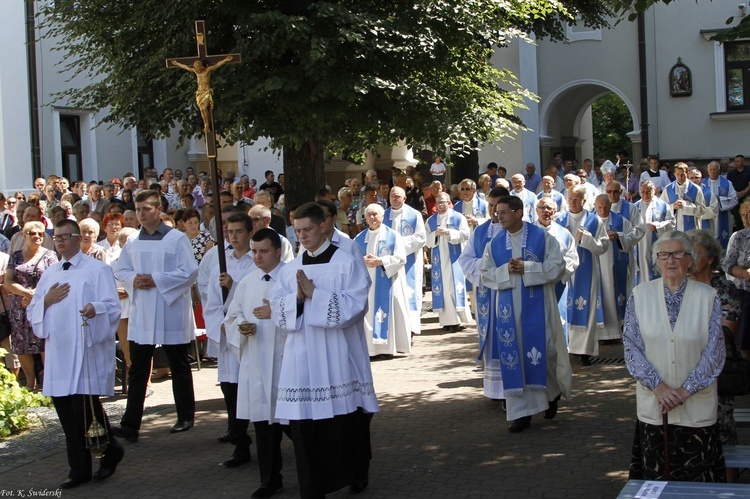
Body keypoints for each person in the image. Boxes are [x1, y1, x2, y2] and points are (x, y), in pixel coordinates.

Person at [269, 202, 379, 498]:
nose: (302, 236)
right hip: (302, 356)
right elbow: (277, 311)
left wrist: (315, 294)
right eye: (297, 230)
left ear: (322, 227)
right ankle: (313, 485)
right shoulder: (291, 269)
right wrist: (299, 300)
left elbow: (356, 306)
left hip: (339, 353)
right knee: (305, 424)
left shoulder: (346, 262)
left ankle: (354, 474)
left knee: (345, 419)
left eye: (307, 229)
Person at [27, 219, 124, 489]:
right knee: (66, 413)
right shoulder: (50, 272)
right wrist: (46, 301)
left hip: (84, 349)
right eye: (55, 236)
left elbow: (112, 306)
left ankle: (108, 453)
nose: (58, 241)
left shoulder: (98, 269)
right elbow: (33, 308)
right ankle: (79, 469)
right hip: (59, 350)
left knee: (86, 409)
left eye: (65, 236)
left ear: (78, 238)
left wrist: (95, 307)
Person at [623, 231, 726, 482]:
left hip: (696, 407)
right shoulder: (639, 295)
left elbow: (714, 352)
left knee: (697, 479)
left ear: (690, 260)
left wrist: (684, 391)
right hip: (655, 406)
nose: (671, 260)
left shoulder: (708, 297)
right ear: (656, 260)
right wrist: (658, 388)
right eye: (664, 254)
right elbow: (631, 346)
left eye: (678, 253)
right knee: (658, 479)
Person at [479, 196, 572, 432]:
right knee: (516, 356)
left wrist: (528, 268)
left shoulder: (543, 238)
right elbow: (485, 274)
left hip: (540, 307)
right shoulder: (495, 244)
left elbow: (557, 266)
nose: (498, 216)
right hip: (508, 310)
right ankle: (522, 413)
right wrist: (506, 270)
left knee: (546, 352)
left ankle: (551, 395)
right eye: (496, 212)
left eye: (503, 212)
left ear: (518, 212)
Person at [112, 190, 199, 442]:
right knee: (138, 368)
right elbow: (122, 270)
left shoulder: (176, 239)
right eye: (138, 210)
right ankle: (130, 424)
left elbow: (189, 272)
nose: (141, 214)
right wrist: (133, 280)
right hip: (144, 312)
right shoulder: (133, 242)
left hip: (170, 309)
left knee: (179, 364)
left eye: (146, 209)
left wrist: (156, 279)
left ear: (158, 209)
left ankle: (185, 415)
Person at [225, 228, 288, 498]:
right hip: (256, 359)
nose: (258, 256)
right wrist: (242, 326)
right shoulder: (247, 282)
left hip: (286, 361)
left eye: (263, 251)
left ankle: (322, 473)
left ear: (277, 251)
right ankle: (270, 480)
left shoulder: (290, 278)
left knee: (295, 426)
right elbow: (233, 315)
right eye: (254, 251)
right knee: (263, 425)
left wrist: (277, 312)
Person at [688, 229, 742, 481]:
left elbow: (726, 331)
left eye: (694, 252)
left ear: (709, 258)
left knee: (722, 433)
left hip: (716, 375)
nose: (687, 258)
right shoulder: (677, 288)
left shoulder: (724, 288)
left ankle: (731, 485)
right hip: (683, 372)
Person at [204, 213, 256, 468]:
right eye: (230, 232)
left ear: (249, 233)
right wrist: (220, 326)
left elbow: (256, 297)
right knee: (231, 392)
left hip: (250, 334)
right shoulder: (218, 266)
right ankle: (240, 444)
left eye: (238, 232)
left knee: (254, 390)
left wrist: (234, 287)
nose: (233, 237)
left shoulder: (256, 263)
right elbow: (212, 304)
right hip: (228, 337)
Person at [458, 186, 509, 400]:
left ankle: (512, 386)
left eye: (498, 206)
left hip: (509, 292)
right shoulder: (479, 231)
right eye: (490, 205)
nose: (494, 211)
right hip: (486, 294)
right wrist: (488, 270)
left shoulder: (516, 230)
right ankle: (494, 389)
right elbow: (465, 260)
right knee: (490, 339)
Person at [555, 185, 609, 365]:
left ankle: (584, 351)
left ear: (584, 201)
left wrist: (585, 239)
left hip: (587, 272)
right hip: (564, 271)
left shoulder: (594, 221)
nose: (573, 202)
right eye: (570, 199)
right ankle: (567, 347)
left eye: (577, 199)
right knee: (565, 307)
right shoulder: (560, 220)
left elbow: (603, 247)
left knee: (588, 308)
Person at [3, 222, 58, 391]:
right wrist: (26, 294)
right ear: (24, 235)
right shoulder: (16, 256)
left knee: (43, 343)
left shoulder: (51, 256)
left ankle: (49, 383)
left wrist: (35, 297)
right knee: (22, 345)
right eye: (32, 233)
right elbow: (8, 281)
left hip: (44, 305)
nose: (37, 236)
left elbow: (56, 281)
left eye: (40, 234)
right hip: (20, 308)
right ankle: (30, 382)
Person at [355, 204, 411, 356]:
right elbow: (351, 261)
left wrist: (381, 261)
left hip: (388, 281)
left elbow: (401, 258)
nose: (372, 218)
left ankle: (387, 349)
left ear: (382, 216)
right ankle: (371, 350)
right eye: (369, 215)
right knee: (369, 313)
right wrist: (362, 261)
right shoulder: (359, 239)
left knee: (387, 312)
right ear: (365, 218)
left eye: (375, 214)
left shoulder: (393, 236)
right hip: (368, 285)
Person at [595, 194, 641, 342]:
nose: (602, 210)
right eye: (599, 207)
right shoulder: (589, 220)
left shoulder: (621, 221)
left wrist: (619, 236)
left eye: (605, 207)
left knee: (615, 293)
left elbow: (634, 236)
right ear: (595, 206)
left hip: (615, 265)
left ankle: (617, 329)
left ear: (610, 206)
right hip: (596, 266)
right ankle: (600, 333)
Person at [535, 195, 579, 345]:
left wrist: (559, 275)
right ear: (536, 210)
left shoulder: (564, 234)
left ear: (555, 212)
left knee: (558, 318)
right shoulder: (529, 233)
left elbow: (572, 258)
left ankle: (561, 353)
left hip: (558, 283)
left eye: (549, 208)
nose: (546, 211)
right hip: (535, 283)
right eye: (542, 207)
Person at [425, 192, 471, 331]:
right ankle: (446, 321)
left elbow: (465, 235)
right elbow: (426, 240)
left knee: (453, 287)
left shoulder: (458, 217)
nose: (440, 205)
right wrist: (435, 235)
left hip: (454, 258)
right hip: (439, 260)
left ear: (448, 202)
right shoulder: (431, 221)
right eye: (438, 202)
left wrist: (449, 233)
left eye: (443, 202)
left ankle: (457, 320)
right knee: (443, 289)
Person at [383, 187, 426, 336]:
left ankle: (411, 328)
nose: (393, 199)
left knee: (409, 292)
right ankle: (394, 329)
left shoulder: (414, 215)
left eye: (397, 196)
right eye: (391, 196)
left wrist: (398, 245)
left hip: (410, 261)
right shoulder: (384, 215)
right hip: (389, 262)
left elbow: (420, 238)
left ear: (404, 198)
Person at [722, 200, 750, 360]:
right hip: (744, 291)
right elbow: (727, 264)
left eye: (749, 214)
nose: (746, 218)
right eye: (743, 215)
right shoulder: (739, 236)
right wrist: (744, 273)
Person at [634, 180, 675, 283]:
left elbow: (672, 223)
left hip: (656, 243)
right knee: (642, 271)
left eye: (648, 191)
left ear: (654, 191)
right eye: (643, 192)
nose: (645, 194)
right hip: (639, 246)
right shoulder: (635, 206)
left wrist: (658, 227)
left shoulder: (662, 205)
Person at [702, 161, 738, 251]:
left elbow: (734, 199)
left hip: (722, 214)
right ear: (707, 170)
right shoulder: (702, 184)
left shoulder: (727, 183)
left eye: (715, 169)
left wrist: (719, 199)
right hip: (707, 214)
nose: (713, 171)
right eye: (711, 169)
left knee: (723, 237)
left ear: (719, 170)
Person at [661, 162, 705, 232]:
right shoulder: (668, 189)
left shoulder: (696, 189)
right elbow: (661, 208)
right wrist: (673, 207)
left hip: (691, 229)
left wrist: (687, 205)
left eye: (683, 174)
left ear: (687, 173)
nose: (680, 177)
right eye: (678, 174)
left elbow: (702, 210)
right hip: (674, 229)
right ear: (674, 174)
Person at [727, 154, 750, 230]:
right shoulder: (731, 174)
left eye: (738, 161)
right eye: (735, 161)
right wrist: (736, 193)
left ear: (743, 162)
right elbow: (729, 185)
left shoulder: (748, 171)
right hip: (735, 198)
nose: (736, 163)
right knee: (738, 220)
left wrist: (743, 193)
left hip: (747, 197)